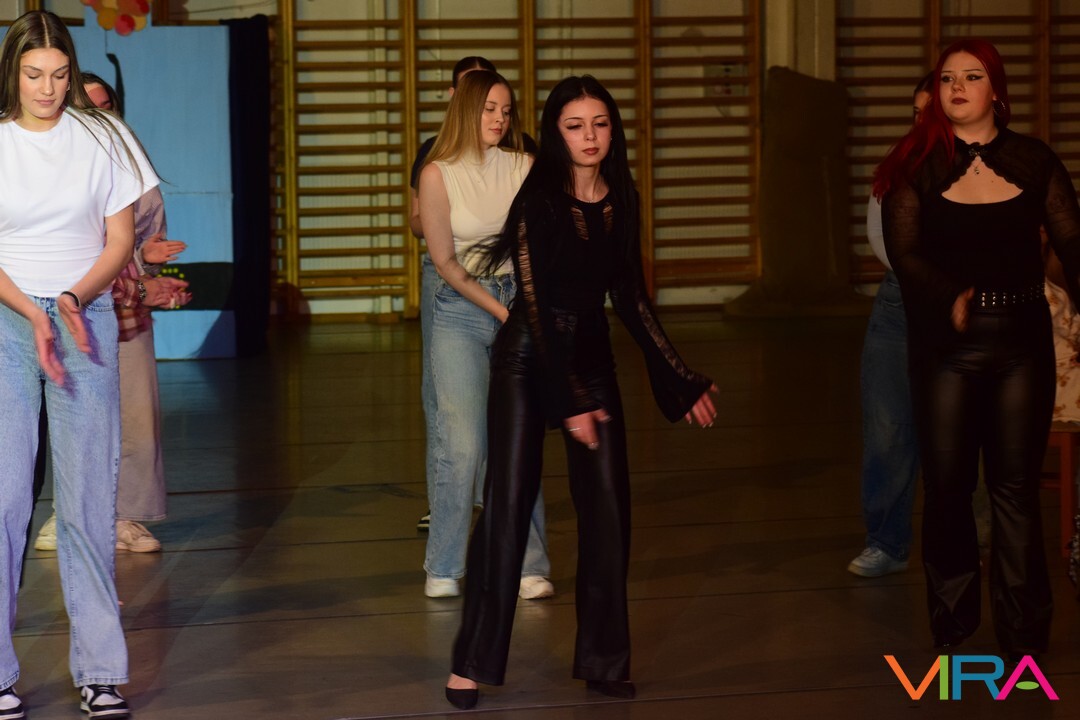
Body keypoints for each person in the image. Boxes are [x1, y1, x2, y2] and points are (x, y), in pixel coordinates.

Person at [443, 75, 718, 710]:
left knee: (609, 511)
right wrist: (568, 401)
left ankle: (604, 660)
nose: (589, 136)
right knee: (508, 508)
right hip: (528, 360)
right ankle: (471, 661)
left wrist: (679, 376)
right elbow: (536, 309)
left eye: (600, 123)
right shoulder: (539, 200)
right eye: (575, 126)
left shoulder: (622, 196)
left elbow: (631, 297)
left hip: (591, 361)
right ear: (556, 133)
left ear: (612, 130)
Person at [876, 38, 1080, 659]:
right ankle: (953, 626)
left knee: (1014, 492)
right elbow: (904, 253)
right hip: (947, 349)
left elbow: (1073, 245)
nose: (957, 88)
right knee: (948, 488)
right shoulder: (915, 167)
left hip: (1022, 345)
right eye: (947, 79)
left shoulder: (1034, 159)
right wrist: (950, 295)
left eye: (971, 76)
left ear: (997, 89)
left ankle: (1024, 637)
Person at [0, 10, 159, 719]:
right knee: (4, 501)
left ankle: (100, 671)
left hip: (81, 319)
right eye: (34, 74)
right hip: (6, 320)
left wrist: (72, 298)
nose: (48, 88)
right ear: (12, 73)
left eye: (60, 74)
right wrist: (31, 310)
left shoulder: (103, 136)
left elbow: (120, 237)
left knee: (89, 502)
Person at [32, 73, 190, 556]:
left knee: (137, 419)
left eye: (107, 105)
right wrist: (142, 281)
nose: (100, 114)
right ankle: (71, 513)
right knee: (75, 419)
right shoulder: (50, 166)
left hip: (126, 319)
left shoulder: (133, 170)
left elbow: (137, 245)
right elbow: (72, 252)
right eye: (89, 105)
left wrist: (150, 261)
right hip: (68, 314)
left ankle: (125, 515)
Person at [416, 69, 553, 600]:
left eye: (506, 110)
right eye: (489, 108)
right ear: (465, 109)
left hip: (518, 301)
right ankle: (444, 565)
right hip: (460, 310)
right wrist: (500, 311)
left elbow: (537, 245)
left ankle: (529, 564)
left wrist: (525, 308)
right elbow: (446, 263)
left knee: (518, 440)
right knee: (464, 443)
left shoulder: (523, 166)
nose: (499, 118)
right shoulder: (437, 173)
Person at [848, 73, 933, 578]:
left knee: (964, 431)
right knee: (887, 427)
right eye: (916, 112)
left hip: (964, 302)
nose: (921, 122)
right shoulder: (900, 163)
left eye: (931, 112)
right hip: (900, 300)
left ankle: (976, 532)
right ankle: (887, 541)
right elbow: (880, 234)